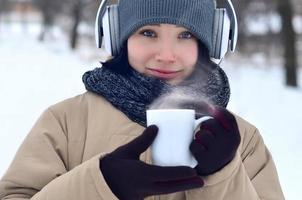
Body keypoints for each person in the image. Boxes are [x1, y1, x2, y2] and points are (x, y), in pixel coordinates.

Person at [0, 0, 284, 199]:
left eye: (185, 35)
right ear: (119, 38)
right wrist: (102, 185)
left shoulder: (242, 141)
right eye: (148, 32)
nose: (166, 54)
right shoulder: (65, 122)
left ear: (211, 44)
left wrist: (224, 176)